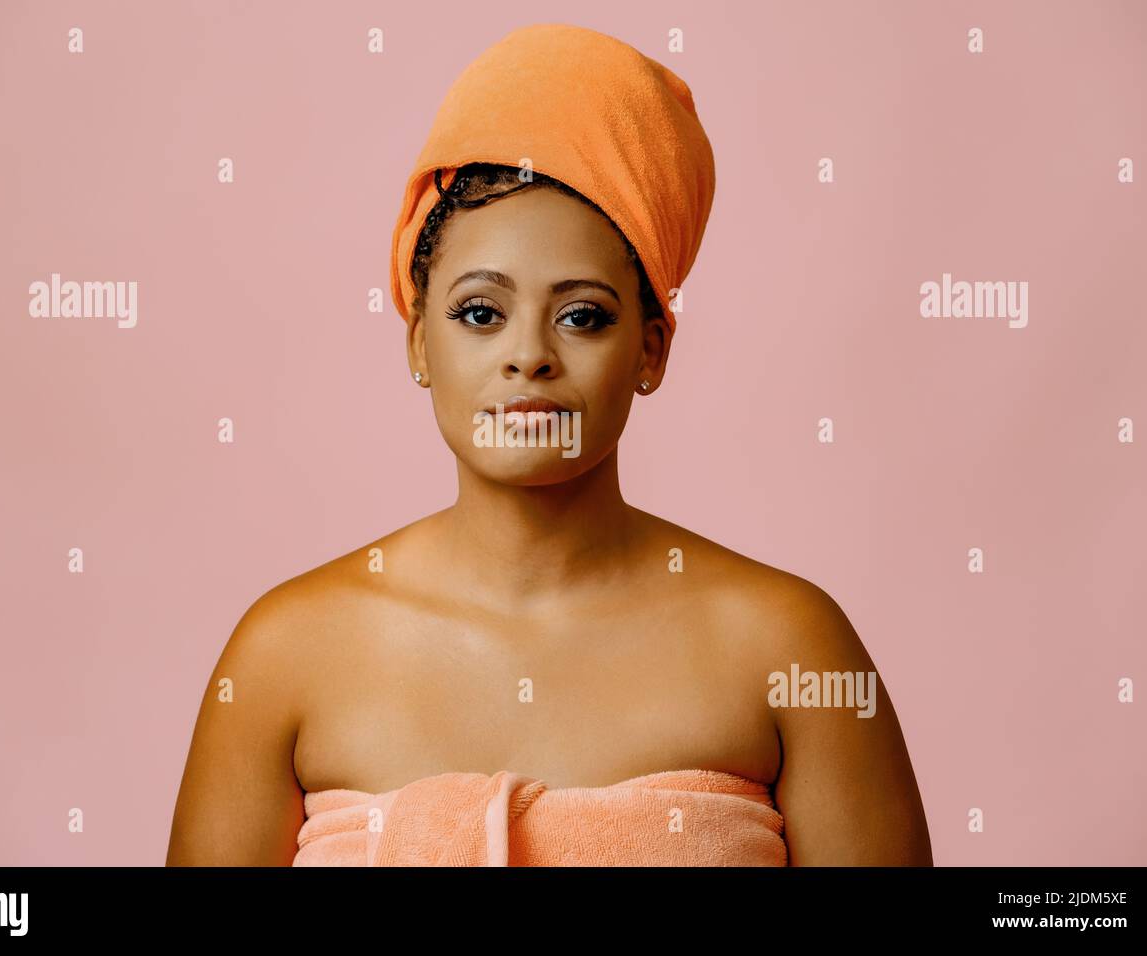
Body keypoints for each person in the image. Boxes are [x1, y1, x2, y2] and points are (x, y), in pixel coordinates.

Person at [166, 23, 932, 867]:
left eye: (582, 315)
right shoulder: (283, 655)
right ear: (419, 343)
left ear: (651, 351)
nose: (527, 354)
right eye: (480, 313)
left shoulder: (790, 648)